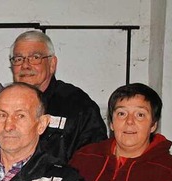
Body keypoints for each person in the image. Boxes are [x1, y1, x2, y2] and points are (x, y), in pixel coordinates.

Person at [10, 30, 107, 162]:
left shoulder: (78, 106)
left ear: (52, 64)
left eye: (35, 58)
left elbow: (93, 162)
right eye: (18, 59)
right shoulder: (5, 105)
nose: (25, 65)